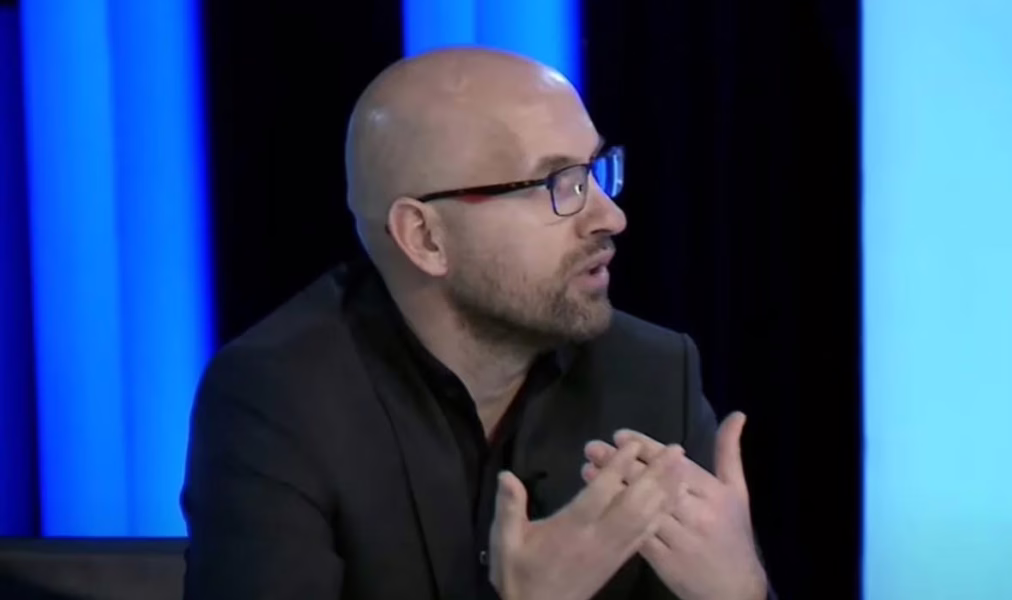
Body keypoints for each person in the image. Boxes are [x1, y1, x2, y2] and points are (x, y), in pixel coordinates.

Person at [180, 46, 772, 600]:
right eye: (558, 184)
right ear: (425, 237)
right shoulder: (278, 401)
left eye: (595, 171)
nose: (610, 216)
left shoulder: (653, 375)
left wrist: (743, 591)